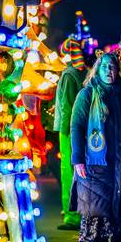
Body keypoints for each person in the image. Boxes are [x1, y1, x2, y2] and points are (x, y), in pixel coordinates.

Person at [70, 53, 121, 242]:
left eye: (112, 67)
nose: (109, 71)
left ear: (117, 70)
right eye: (105, 68)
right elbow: (77, 127)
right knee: (98, 212)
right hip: (95, 163)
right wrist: (78, 159)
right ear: (97, 70)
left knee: (120, 208)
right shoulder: (88, 94)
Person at [52, 38, 87, 230]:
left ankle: (72, 215)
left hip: (70, 130)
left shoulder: (68, 75)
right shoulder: (84, 73)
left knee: (68, 171)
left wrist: (64, 131)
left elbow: (66, 107)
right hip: (83, 129)